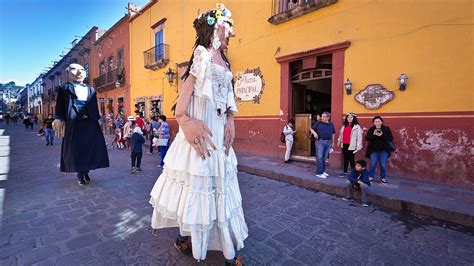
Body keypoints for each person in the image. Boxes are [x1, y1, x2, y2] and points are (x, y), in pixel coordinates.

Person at [149, 5, 247, 265]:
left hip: (218, 133)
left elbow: (227, 97)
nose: (233, 33)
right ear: (217, 27)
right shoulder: (201, 55)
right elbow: (182, 103)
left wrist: (230, 120)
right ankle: (191, 237)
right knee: (198, 188)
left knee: (219, 188)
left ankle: (222, 245)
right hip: (200, 133)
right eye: (229, 26)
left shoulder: (224, 62)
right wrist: (184, 121)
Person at [52, 63, 110, 186]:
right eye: (74, 69)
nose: (79, 72)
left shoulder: (91, 89)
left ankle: (86, 171)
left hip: (90, 124)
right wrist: (59, 117)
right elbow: (60, 106)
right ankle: (80, 174)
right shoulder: (64, 88)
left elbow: (94, 106)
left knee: (91, 149)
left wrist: (98, 120)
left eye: (82, 69)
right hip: (74, 125)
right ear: (67, 73)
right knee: (77, 151)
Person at [365, 116, 393, 184]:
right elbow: (367, 138)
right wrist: (374, 134)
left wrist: (382, 135)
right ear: (374, 123)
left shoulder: (386, 129)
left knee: (383, 165)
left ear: (381, 122)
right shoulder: (371, 129)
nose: (377, 123)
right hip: (373, 150)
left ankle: (382, 178)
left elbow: (390, 138)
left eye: (379, 121)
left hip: (384, 150)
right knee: (373, 164)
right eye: (376, 121)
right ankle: (371, 177)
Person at [310, 111, 335, 178]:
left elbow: (333, 133)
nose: (322, 118)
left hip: (328, 142)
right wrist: (315, 133)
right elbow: (311, 129)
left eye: (324, 117)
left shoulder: (331, 124)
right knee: (319, 158)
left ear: (328, 117)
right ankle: (319, 173)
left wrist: (333, 142)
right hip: (320, 142)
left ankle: (322, 171)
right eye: (322, 116)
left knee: (324, 158)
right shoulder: (319, 123)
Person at [337, 113, 363, 177]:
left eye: (351, 117)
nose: (349, 118)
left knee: (351, 159)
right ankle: (345, 172)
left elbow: (359, 137)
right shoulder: (344, 126)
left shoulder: (357, 126)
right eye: (348, 117)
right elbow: (341, 134)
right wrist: (339, 141)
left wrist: (358, 146)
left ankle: (354, 173)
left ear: (354, 118)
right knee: (345, 159)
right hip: (344, 144)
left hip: (352, 145)